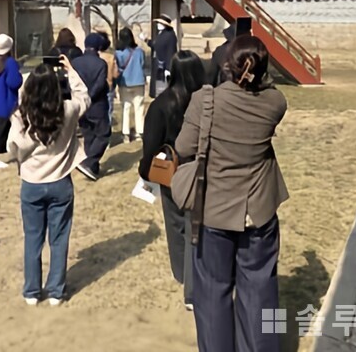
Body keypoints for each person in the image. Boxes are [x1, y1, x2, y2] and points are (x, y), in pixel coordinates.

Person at [174, 36, 288, 352]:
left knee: (212, 291)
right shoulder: (276, 103)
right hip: (259, 208)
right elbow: (269, 89)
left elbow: (183, 148)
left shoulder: (206, 100)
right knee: (263, 288)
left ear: (225, 66)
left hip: (213, 209)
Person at [7, 55, 90, 306]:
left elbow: (13, 148)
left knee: (33, 238)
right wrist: (70, 70)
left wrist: (29, 84)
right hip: (60, 182)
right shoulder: (67, 110)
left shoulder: (23, 115)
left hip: (31, 183)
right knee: (59, 238)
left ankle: (32, 291)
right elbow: (83, 95)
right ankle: (56, 290)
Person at [138, 50, 206, 310]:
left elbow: (151, 143)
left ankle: (181, 274)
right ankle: (192, 279)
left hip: (171, 171)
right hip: (201, 171)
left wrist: (146, 171)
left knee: (176, 225)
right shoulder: (207, 102)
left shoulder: (161, 104)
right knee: (195, 230)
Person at [72, 33, 111, 181]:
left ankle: (92, 168)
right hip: (97, 104)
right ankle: (88, 162)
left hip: (80, 104)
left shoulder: (75, 62)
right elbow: (100, 84)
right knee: (103, 134)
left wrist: (81, 98)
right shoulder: (101, 64)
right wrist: (89, 96)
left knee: (88, 135)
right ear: (98, 47)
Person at [0, 33, 23, 170]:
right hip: (8, 103)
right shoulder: (10, 63)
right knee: (17, 130)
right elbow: (13, 82)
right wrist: (19, 76)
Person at [114, 28, 147, 143]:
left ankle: (126, 134)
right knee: (139, 108)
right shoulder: (139, 51)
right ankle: (139, 133)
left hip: (125, 82)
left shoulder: (118, 53)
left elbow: (117, 68)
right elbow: (143, 64)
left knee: (126, 108)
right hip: (138, 81)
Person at [149, 16, 179, 98]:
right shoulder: (161, 34)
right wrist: (146, 40)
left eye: (161, 23)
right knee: (157, 85)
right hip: (158, 63)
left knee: (162, 86)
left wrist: (168, 68)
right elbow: (156, 45)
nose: (158, 25)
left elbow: (171, 52)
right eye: (158, 23)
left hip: (163, 65)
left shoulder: (170, 35)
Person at [97, 32, 117, 125]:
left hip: (96, 87)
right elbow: (115, 74)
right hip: (108, 86)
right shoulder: (111, 57)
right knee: (108, 111)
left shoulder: (95, 57)